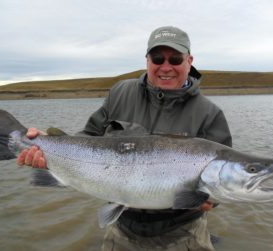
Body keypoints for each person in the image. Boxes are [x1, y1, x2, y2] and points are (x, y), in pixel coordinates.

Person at [18, 26, 232, 251]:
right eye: (157, 58)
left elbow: (222, 179)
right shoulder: (121, 93)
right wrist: (47, 145)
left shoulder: (210, 114)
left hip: (183, 233)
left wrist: (212, 200)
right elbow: (89, 136)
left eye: (175, 59)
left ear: (189, 61)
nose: (166, 67)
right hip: (121, 229)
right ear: (147, 60)